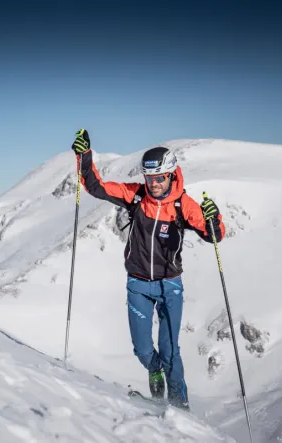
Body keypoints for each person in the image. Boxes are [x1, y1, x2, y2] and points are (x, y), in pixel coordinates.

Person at [71, 128, 226, 411]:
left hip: (170, 286)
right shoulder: (136, 196)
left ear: (170, 175)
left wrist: (213, 219)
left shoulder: (183, 205)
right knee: (143, 350)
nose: (153, 183)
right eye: (149, 177)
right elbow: (96, 186)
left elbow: (213, 234)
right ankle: (154, 375)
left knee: (170, 352)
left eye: (159, 178)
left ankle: (180, 405)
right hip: (138, 284)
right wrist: (84, 156)